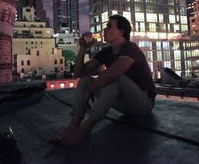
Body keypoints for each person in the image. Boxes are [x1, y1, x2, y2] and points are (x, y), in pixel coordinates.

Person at [47, 14, 156, 146]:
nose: (105, 29)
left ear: (122, 31)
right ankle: (72, 126)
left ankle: (85, 129)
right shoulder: (106, 51)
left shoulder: (130, 48)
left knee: (115, 78)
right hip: (125, 106)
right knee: (86, 80)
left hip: (143, 104)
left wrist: (90, 91)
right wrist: (83, 48)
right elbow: (79, 73)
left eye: (109, 26)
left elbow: (112, 74)